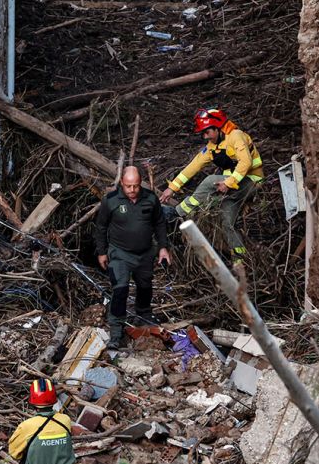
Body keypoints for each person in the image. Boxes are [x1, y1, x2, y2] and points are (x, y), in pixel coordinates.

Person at [159, 108, 264, 264]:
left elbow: (246, 162)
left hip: (252, 181)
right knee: (227, 222)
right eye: (203, 133)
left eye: (207, 132)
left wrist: (228, 183)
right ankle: (240, 261)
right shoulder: (211, 147)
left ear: (217, 127)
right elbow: (193, 167)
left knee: (209, 181)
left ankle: (177, 213)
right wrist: (172, 188)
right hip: (235, 187)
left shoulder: (236, 136)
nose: (204, 136)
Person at [95, 166, 171, 349]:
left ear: (140, 183)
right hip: (119, 253)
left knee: (145, 285)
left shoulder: (151, 199)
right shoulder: (111, 200)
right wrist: (102, 252)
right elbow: (100, 227)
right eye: (128, 186)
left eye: (135, 186)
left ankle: (144, 315)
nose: (132, 190)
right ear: (122, 183)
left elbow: (160, 224)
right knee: (120, 288)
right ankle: (116, 330)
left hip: (145, 253)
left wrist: (163, 248)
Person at [9, 378, 75, 464]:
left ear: (32, 400)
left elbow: (14, 452)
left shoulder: (27, 426)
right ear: (54, 398)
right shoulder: (65, 421)